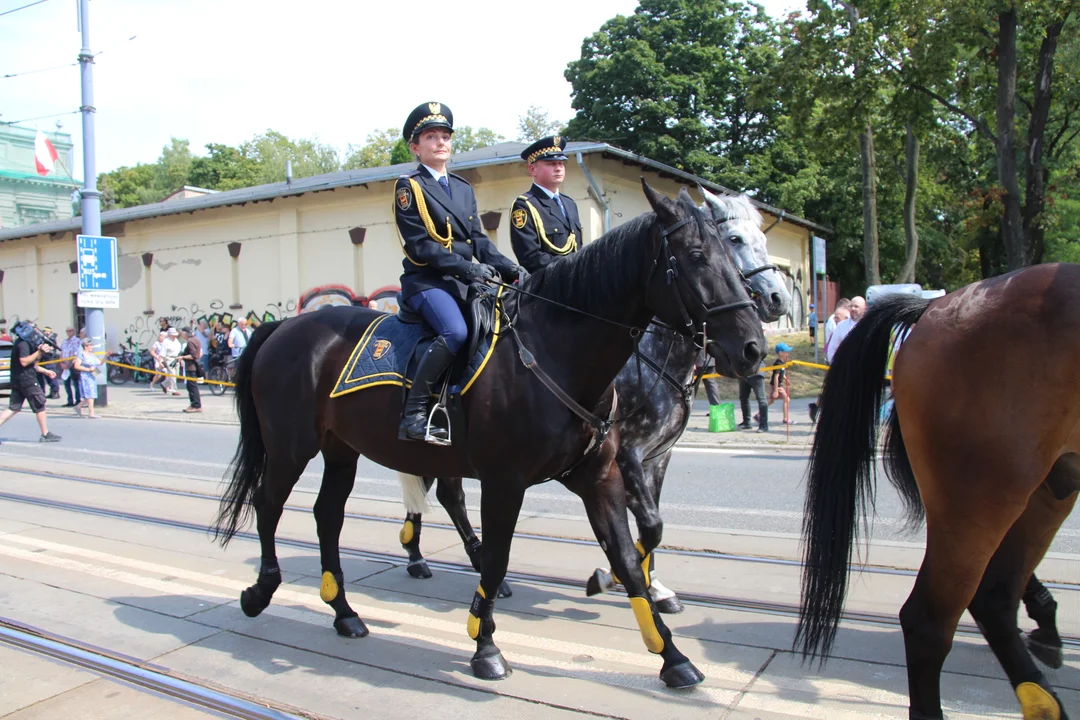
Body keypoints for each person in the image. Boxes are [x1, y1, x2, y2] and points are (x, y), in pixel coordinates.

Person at [393, 101, 523, 443]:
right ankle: (415, 415)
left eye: (445, 136)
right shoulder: (410, 187)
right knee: (456, 333)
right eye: (431, 136)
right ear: (415, 147)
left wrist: (509, 267)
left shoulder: (463, 188)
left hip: (465, 281)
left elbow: (478, 239)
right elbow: (420, 245)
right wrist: (469, 268)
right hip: (427, 282)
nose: (440, 143)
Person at [509, 135, 583, 273]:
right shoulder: (525, 206)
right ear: (533, 170)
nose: (558, 168)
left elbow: (577, 248)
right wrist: (571, 265)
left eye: (561, 163)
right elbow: (530, 257)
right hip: (547, 285)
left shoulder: (569, 203)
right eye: (551, 164)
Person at [0, 330, 60, 443]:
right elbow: (24, 362)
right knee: (40, 404)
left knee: (13, 408)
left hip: (19, 380)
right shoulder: (23, 344)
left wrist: (45, 371)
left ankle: (45, 433)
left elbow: (32, 364)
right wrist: (39, 352)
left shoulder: (21, 342)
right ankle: (45, 434)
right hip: (27, 380)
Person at [825, 295, 866, 364]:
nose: (853, 308)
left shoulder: (871, 326)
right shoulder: (841, 326)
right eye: (851, 306)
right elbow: (832, 349)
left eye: (856, 306)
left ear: (864, 308)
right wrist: (836, 366)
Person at [73, 336, 102, 418]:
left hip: (92, 376)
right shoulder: (81, 354)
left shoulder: (92, 355)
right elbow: (76, 366)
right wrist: (88, 369)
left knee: (91, 394)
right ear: (86, 346)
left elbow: (99, 363)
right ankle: (91, 413)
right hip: (85, 376)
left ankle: (78, 407)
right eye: (90, 345)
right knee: (90, 394)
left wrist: (106, 356)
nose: (92, 346)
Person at [768, 342, 794, 424]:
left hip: (778, 385)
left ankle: (759, 415)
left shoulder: (782, 362)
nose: (788, 353)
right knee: (787, 399)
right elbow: (776, 376)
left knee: (771, 400)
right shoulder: (778, 363)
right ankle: (785, 419)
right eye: (786, 351)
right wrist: (776, 390)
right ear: (780, 353)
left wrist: (786, 379)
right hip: (777, 385)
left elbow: (782, 374)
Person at [178, 326, 203, 413]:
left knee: (192, 387)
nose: (181, 335)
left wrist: (182, 357)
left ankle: (196, 405)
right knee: (191, 386)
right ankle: (194, 404)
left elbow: (193, 356)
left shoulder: (190, 342)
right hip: (194, 366)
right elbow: (199, 354)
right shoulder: (196, 340)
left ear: (185, 333)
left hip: (191, 367)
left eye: (182, 333)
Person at [737, 367, 768, 432]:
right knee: (743, 398)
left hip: (756, 373)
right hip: (743, 374)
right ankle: (746, 422)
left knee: (761, 399)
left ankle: (764, 425)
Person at [59, 326, 82, 407]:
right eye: (67, 331)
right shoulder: (64, 341)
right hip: (65, 365)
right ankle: (70, 401)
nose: (69, 332)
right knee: (66, 383)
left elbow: (75, 354)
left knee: (76, 384)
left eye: (70, 331)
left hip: (73, 365)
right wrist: (61, 363)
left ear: (74, 331)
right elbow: (61, 352)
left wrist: (68, 364)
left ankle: (78, 400)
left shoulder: (77, 341)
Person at [162, 328, 182, 396]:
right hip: (169, 358)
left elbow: (180, 349)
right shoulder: (166, 341)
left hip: (176, 358)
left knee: (176, 374)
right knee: (172, 374)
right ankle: (174, 390)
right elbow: (163, 352)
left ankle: (164, 384)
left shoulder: (177, 341)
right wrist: (162, 361)